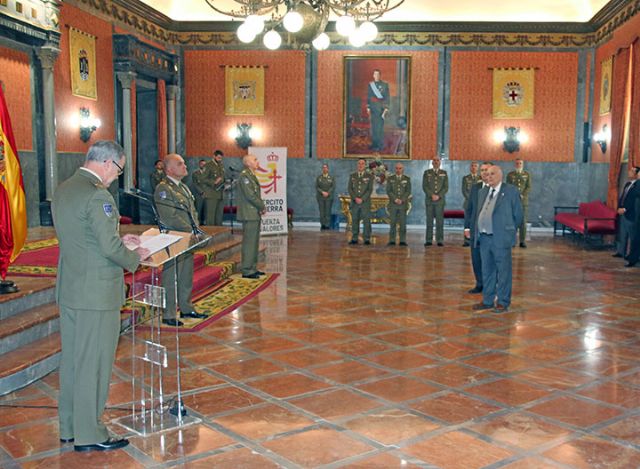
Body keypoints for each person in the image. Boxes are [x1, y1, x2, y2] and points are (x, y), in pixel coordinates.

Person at [52, 140, 150, 452]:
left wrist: (122, 239)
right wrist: (136, 255)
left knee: (73, 362)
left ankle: (69, 426)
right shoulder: (98, 195)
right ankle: (90, 432)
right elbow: (108, 249)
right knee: (93, 363)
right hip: (96, 294)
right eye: (118, 170)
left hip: (71, 288)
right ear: (107, 163)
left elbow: (86, 238)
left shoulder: (65, 188)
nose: (115, 176)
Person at [154, 153, 207, 326]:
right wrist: (191, 229)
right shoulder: (163, 189)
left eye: (184, 163)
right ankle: (169, 313)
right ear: (169, 169)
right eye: (180, 164)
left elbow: (192, 212)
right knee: (171, 277)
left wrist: (196, 229)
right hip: (174, 239)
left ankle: (186, 307)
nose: (185, 166)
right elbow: (170, 217)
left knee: (186, 275)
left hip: (187, 239)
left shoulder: (183, 187)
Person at [471, 165, 523, 313]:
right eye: (487, 174)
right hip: (484, 239)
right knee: (487, 271)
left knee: (503, 271)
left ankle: (503, 301)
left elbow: (518, 214)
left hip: (500, 238)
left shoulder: (510, 191)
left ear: (500, 175)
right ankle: (487, 301)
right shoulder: (482, 192)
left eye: (492, 174)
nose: (489, 176)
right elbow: (478, 213)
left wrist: (509, 232)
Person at [464, 161, 492, 294]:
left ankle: (491, 284)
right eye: (482, 170)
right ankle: (479, 283)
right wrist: (467, 228)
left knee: (490, 259)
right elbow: (469, 209)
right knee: (476, 258)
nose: (484, 173)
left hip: (491, 231)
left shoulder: (498, 188)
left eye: (487, 170)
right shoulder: (475, 188)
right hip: (476, 230)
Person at [237, 154, 266, 278]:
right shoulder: (245, 176)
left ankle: (252, 267)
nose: (257, 161)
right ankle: (247, 269)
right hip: (249, 213)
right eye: (255, 160)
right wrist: (262, 206)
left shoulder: (251, 175)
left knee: (254, 242)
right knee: (249, 242)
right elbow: (250, 195)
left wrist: (259, 208)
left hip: (253, 213)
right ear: (248, 163)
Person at [616, 166, 640, 267]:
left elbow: (634, 199)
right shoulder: (627, 184)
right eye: (630, 170)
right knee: (623, 234)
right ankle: (621, 252)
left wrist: (625, 209)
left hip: (631, 214)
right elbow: (623, 197)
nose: (629, 172)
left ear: (637, 173)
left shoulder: (638, 185)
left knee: (633, 237)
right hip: (623, 213)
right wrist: (619, 207)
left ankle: (632, 259)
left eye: (632, 171)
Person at [423, 155, 448, 246]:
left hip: (440, 201)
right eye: (434, 160)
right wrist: (432, 195)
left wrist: (438, 196)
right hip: (429, 201)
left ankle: (440, 240)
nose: (436, 162)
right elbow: (425, 186)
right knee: (429, 221)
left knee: (439, 221)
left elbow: (446, 187)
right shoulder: (427, 173)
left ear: (440, 162)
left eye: (437, 160)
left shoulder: (444, 173)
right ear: (432, 162)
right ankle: (428, 240)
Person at [506, 158, 531, 247]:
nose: (518, 165)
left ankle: (522, 241)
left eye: (520, 163)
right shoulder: (510, 175)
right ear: (514, 164)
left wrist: (522, 194)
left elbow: (528, 187)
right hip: (513, 201)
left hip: (523, 202)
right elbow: (507, 187)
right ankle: (512, 240)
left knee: (523, 221)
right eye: (517, 163)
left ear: (522, 164)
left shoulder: (527, 175)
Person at [348, 158, 374, 245]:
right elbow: (350, 189)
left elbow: (369, 190)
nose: (360, 165)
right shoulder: (352, 176)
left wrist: (362, 199)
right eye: (359, 163)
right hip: (355, 202)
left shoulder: (369, 176)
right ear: (357, 165)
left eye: (362, 163)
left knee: (366, 221)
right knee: (355, 220)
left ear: (365, 165)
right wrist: (355, 198)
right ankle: (354, 238)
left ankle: (367, 238)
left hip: (365, 202)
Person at [386, 162, 411, 246]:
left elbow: (408, 191)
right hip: (393, 204)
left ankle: (402, 240)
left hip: (403, 204)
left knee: (403, 223)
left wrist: (402, 199)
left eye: (400, 168)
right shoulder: (390, 178)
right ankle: (392, 240)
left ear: (403, 169)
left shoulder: (407, 179)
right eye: (397, 168)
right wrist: (395, 199)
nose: (398, 170)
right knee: (392, 222)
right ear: (395, 169)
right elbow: (389, 191)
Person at [366, 69, 390, 153]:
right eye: (375, 74)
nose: (376, 76)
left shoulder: (385, 85)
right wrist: (368, 107)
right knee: (373, 127)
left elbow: (387, 97)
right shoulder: (370, 85)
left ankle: (380, 145)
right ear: (373, 75)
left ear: (380, 75)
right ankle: (374, 144)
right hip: (373, 108)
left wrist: (386, 109)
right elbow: (369, 96)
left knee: (379, 127)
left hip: (380, 108)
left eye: (378, 74)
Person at [202, 149, 225, 225]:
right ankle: (210, 233)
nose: (220, 159)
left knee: (219, 216)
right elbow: (203, 179)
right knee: (210, 216)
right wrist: (214, 182)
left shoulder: (221, 165)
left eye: (221, 158)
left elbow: (223, 177)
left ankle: (218, 233)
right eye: (218, 158)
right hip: (211, 194)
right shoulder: (208, 165)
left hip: (220, 193)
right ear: (214, 156)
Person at [461, 161, 480, 246]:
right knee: (467, 222)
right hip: (468, 203)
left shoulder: (481, 178)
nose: (474, 167)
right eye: (472, 166)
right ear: (470, 167)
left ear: (478, 168)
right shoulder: (466, 178)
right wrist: (471, 199)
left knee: (478, 223)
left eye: (475, 166)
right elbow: (464, 190)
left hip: (479, 204)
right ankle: (467, 241)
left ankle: (477, 239)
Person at [316, 163, 335, 230]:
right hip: (320, 197)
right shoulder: (319, 177)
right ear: (322, 169)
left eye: (326, 167)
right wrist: (322, 192)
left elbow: (333, 187)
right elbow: (317, 187)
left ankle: (327, 225)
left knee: (327, 211)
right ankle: (323, 224)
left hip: (329, 197)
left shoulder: (332, 177)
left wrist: (328, 193)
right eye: (323, 167)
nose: (324, 169)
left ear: (328, 169)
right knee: (322, 212)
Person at [191, 159, 208, 224]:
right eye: (202, 164)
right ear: (199, 164)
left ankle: (206, 225)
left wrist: (207, 192)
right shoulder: (195, 173)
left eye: (204, 164)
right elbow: (195, 184)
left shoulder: (208, 173)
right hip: (199, 195)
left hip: (207, 194)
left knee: (206, 211)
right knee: (198, 210)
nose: (203, 165)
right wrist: (202, 192)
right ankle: (198, 224)